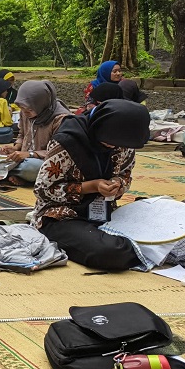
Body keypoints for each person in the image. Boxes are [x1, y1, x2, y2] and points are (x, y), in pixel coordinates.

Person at [33, 100, 151, 270]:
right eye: (110, 141)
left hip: (103, 212)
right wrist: (92, 186)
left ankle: (135, 247)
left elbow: (125, 174)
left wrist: (118, 184)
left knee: (166, 228)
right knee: (111, 253)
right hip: (62, 216)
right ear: (100, 126)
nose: (114, 146)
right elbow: (43, 189)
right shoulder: (68, 142)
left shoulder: (124, 143)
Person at [0, 80, 70, 186]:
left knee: (31, 168)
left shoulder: (61, 119)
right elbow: (22, 134)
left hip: (47, 161)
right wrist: (15, 148)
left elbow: (60, 153)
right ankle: (18, 176)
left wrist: (31, 154)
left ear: (40, 104)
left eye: (28, 110)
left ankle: (7, 173)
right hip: (23, 159)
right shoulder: (25, 112)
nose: (25, 113)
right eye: (22, 109)